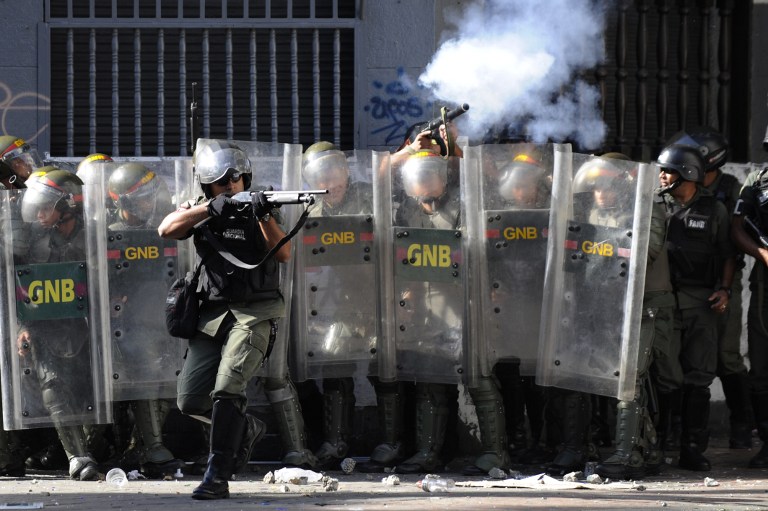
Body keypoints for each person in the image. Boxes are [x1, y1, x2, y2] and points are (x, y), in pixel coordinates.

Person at [158, 139, 287, 500]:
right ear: (208, 186)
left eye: (236, 179)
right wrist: (207, 210)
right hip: (212, 316)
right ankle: (245, 428)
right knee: (189, 401)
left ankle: (217, 474)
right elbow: (166, 229)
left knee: (228, 387)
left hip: (255, 313)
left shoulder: (265, 206)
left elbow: (286, 252)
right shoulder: (202, 208)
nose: (230, 186)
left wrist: (262, 214)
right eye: (221, 182)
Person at [667, 127, 752, 450]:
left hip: (723, 279)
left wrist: (726, 287)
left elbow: (732, 238)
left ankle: (742, 424)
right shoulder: (676, 191)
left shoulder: (729, 190)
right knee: (681, 360)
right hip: (690, 286)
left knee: (727, 356)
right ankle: (677, 429)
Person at [593, 153, 674, 479]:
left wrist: (601, 248)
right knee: (624, 380)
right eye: (596, 186)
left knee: (630, 379)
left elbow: (648, 250)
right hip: (612, 303)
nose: (601, 193)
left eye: (607, 186)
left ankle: (628, 456)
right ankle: (649, 449)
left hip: (647, 305)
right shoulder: (597, 212)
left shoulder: (646, 208)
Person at [15, 170, 100, 481]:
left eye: (45, 208)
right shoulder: (36, 245)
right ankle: (78, 457)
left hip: (95, 326)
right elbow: (21, 291)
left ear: (68, 205)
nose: (38, 215)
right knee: (52, 385)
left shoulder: (95, 236)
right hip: (49, 328)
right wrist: (22, 327)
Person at [657, 144, 736, 471]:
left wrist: (724, 289)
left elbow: (728, 253)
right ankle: (659, 445)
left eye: (669, 170)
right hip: (664, 301)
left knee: (699, 376)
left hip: (701, 302)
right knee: (664, 377)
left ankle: (692, 448)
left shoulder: (713, 210)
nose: (662, 175)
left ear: (688, 173)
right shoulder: (655, 206)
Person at [105, 162, 184, 477]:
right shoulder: (111, 235)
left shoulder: (165, 227)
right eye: (141, 198)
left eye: (151, 196)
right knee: (149, 372)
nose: (149, 204)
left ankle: (142, 446)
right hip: (129, 326)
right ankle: (152, 448)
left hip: (166, 317)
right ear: (121, 201)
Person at [299, 142, 373, 468]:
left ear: (346, 170)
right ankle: (333, 440)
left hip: (372, 296)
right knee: (329, 366)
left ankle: (387, 442)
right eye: (321, 174)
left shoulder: (370, 196)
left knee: (385, 376)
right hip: (325, 302)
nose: (330, 180)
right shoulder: (307, 209)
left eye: (335, 170)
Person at [731, 149, 768, 467]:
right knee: (761, 365)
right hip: (766, 284)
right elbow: (737, 227)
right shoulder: (757, 181)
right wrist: (762, 253)